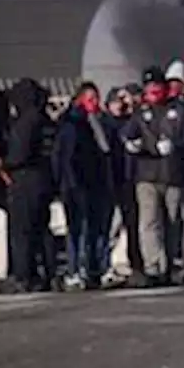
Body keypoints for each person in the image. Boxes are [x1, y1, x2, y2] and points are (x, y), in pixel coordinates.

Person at [124, 71, 184, 286]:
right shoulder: (141, 111)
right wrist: (132, 144)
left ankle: (173, 264)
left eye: (157, 86)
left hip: (172, 174)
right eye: (149, 87)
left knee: (173, 221)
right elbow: (129, 133)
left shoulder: (179, 110)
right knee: (149, 222)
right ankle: (154, 267)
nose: (153, 91)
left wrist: (176, 147)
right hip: (146, 175)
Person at [55, 83, 115, 290]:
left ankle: (97, 268)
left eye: (96, 98)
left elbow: (107, 151)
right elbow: (65, 158)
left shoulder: (102, 122)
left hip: (97, 184)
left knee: (98, 229)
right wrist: (69, 184)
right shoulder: (72, 124)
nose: (95, 103)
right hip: (76, 186)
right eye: (90, 99)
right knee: (77, 229)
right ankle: (75, 270)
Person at [0, 78, 57, 293]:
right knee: (42, 229)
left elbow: (18, 154)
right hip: (44, 179)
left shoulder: (26, 122)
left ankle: (24, 276)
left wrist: (3, 163)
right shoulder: (46, 121)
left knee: (22, 231)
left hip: (25, 180)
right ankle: (50, 273)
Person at [102, 87, 140, 286]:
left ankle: (135, 265)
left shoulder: (130, 122)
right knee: (111, 227)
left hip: (129, 180)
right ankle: (104, 266)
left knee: (132, 225)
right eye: (117, 101)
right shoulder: (105, 124)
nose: (121, 105)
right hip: (112, 181)